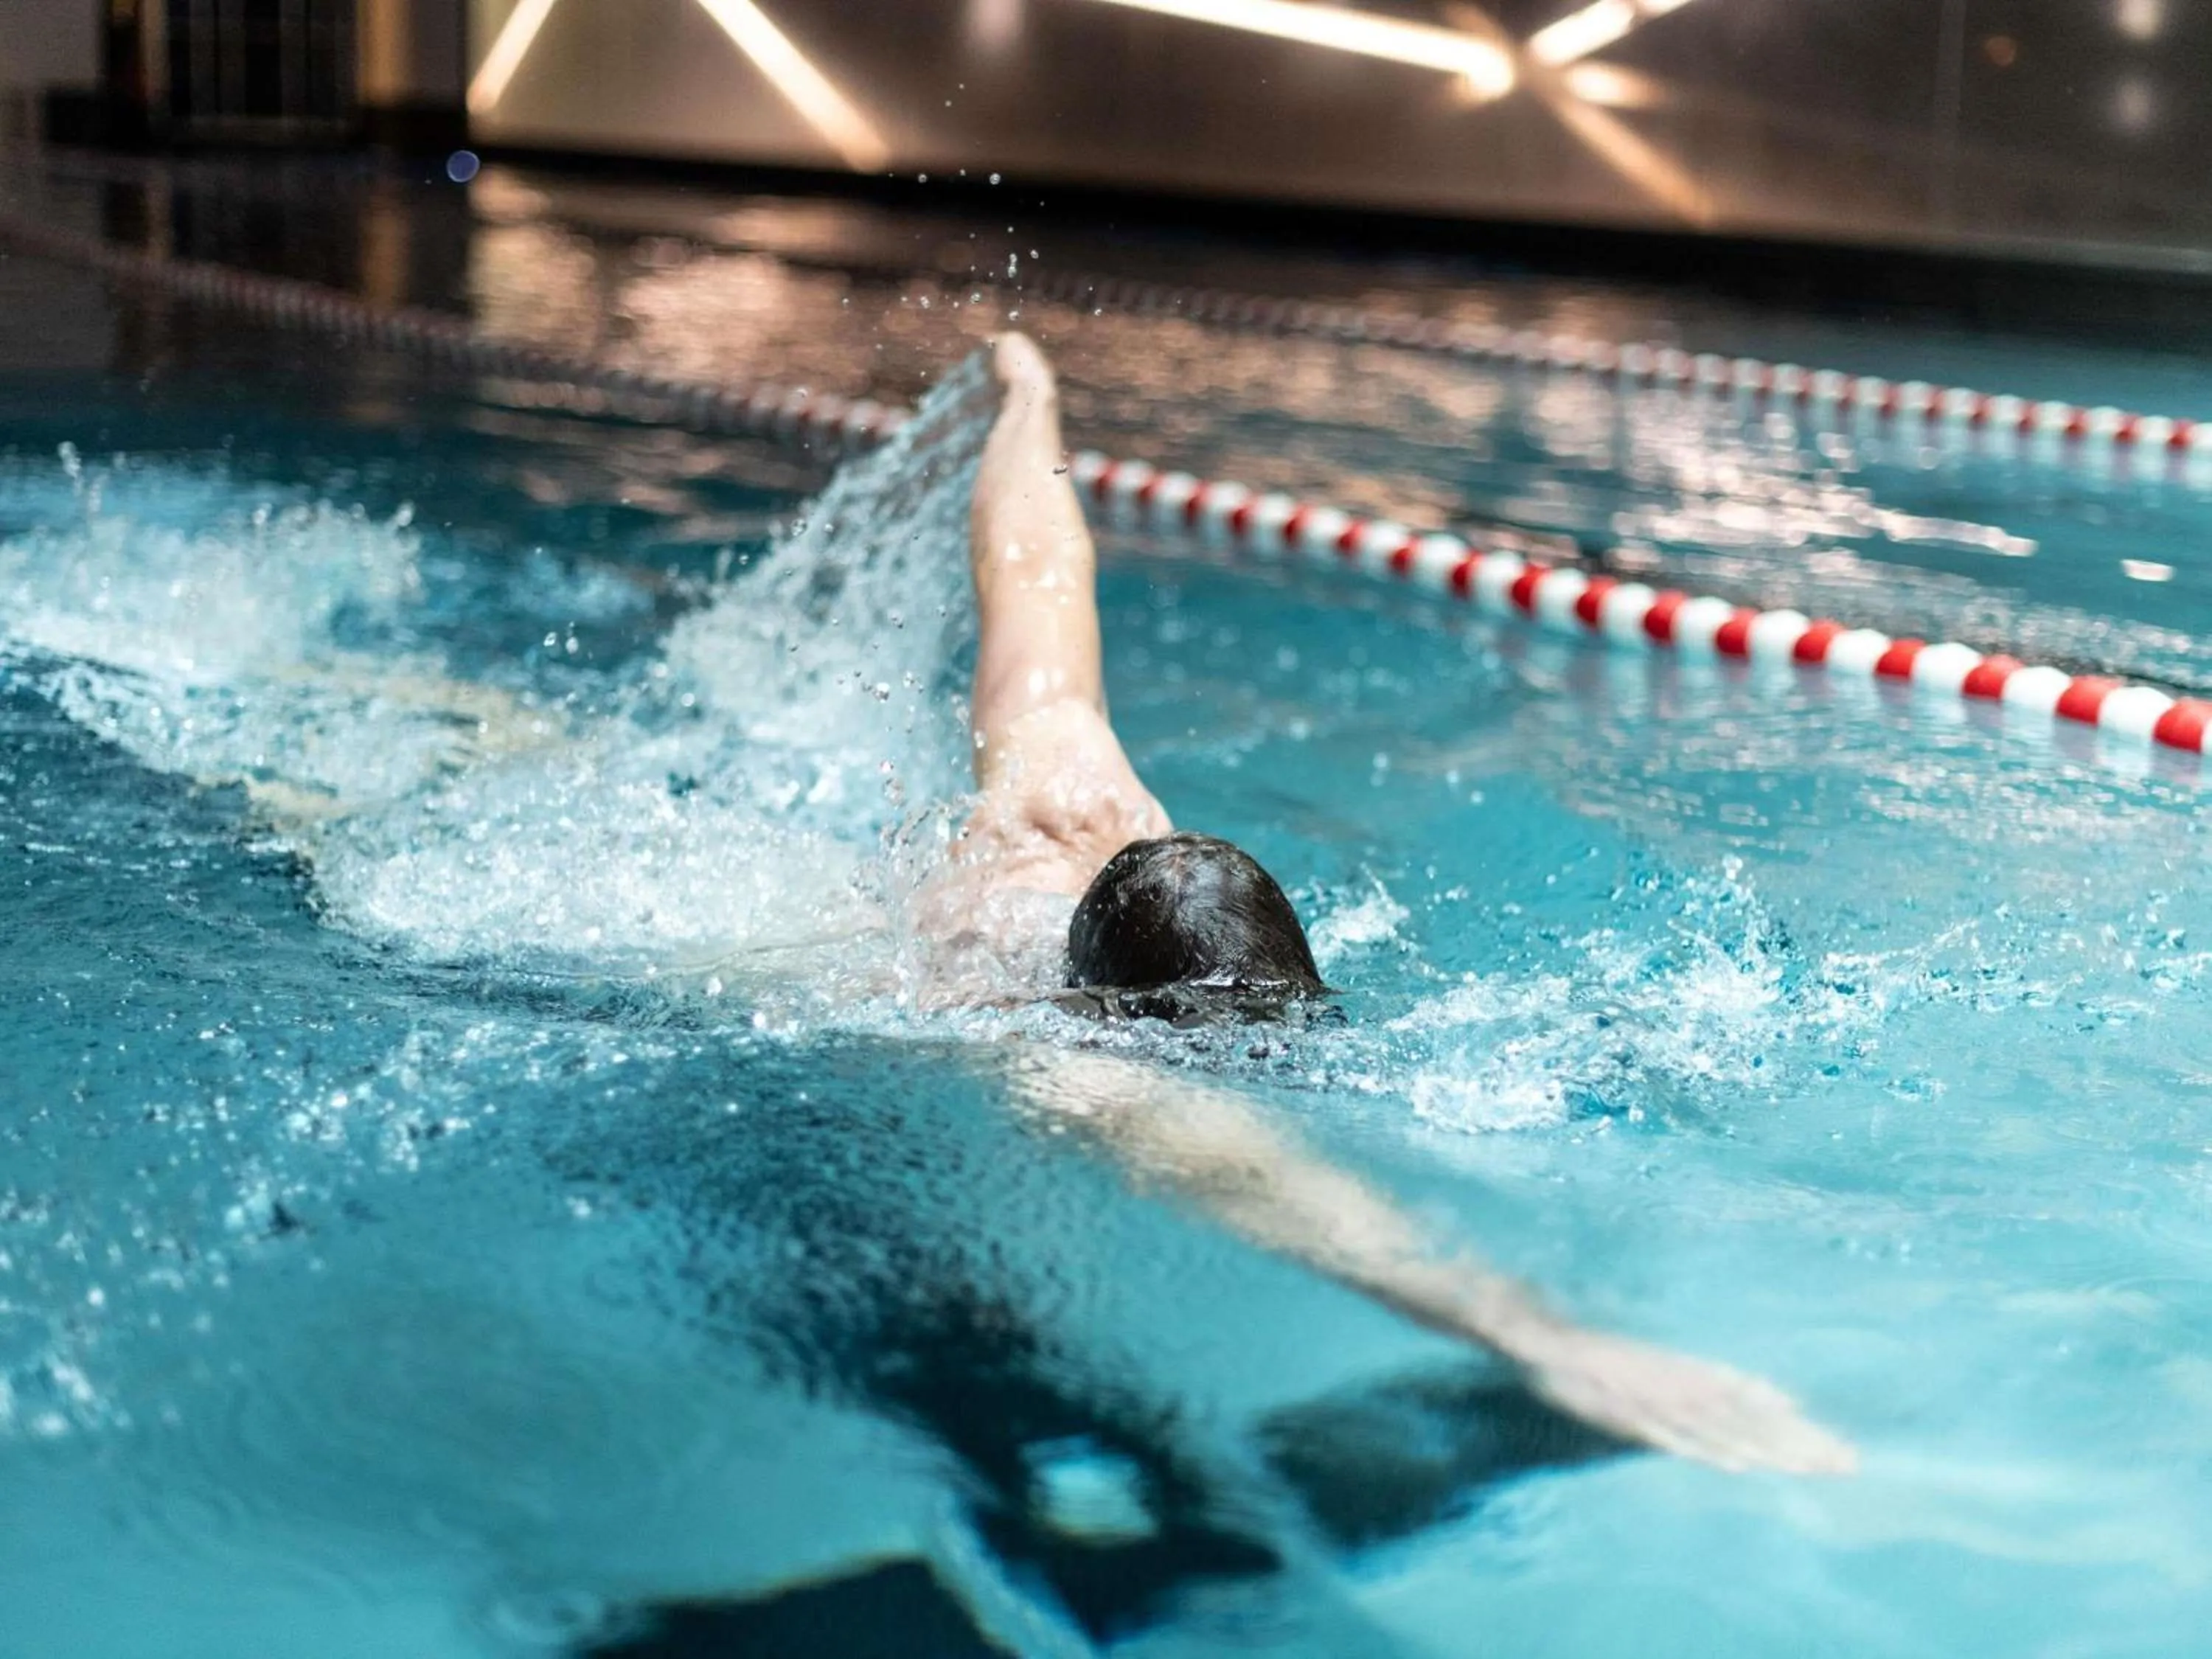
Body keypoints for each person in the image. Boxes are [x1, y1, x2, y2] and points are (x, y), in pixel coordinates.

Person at [929, 334, 1855, 1476]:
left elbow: (1034, 562)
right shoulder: (1036, 1032)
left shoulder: (1073, 784)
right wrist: (1543, 1339)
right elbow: (1254, 1179)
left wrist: (1033, 398)